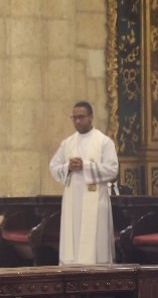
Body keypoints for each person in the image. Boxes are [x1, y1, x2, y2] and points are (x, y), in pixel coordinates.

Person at [49, 101, 119, 265]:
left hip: (96, 200)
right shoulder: (68, 143)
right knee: (73, 240)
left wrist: (86, 166)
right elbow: (53, 167)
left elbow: (113, 169)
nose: (77, 121)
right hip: (73, 199)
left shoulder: (104, 141)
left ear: (91, 117)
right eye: (74, 118)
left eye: (81, 117)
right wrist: (68, 167)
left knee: (95, 242)